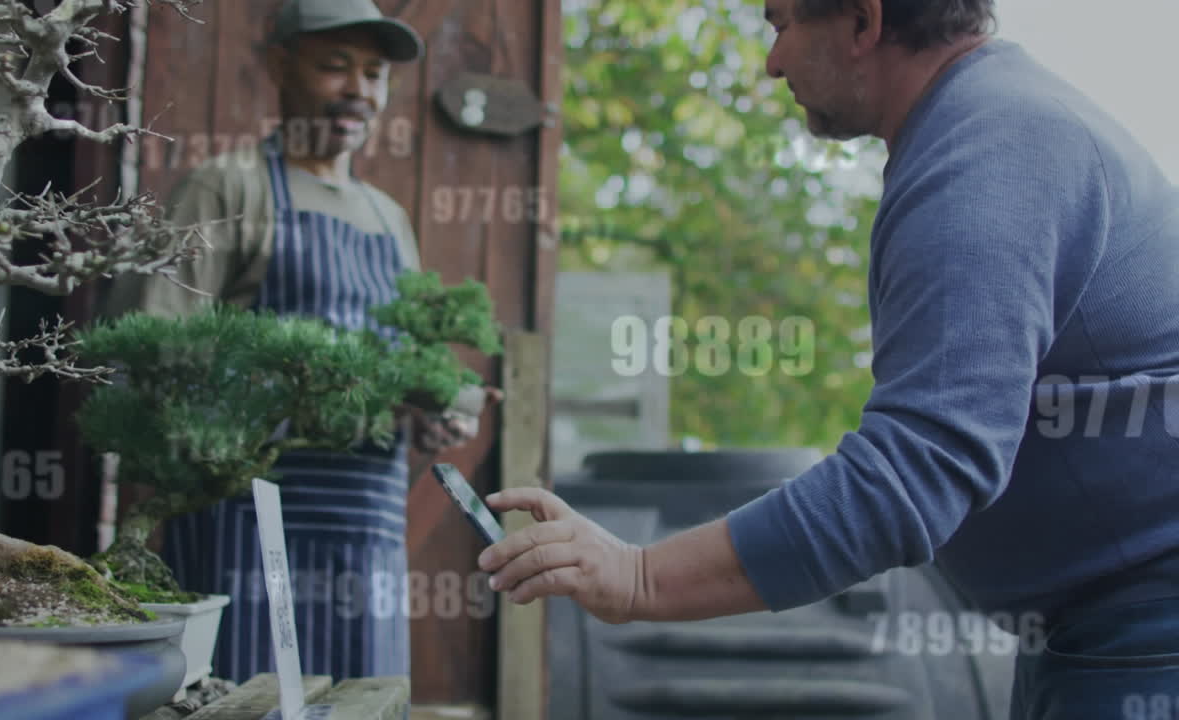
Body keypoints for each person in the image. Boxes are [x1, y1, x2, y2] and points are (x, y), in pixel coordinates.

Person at [477, 1, 1179, 718]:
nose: (772, 61)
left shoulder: (990, 151)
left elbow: (916, 470)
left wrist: (638, 578)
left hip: (1150, 625)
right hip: (1100, 627)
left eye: (781, 24)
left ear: (864, 21)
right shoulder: (984, 125)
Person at [101, 0, 486, 685]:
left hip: (365, 527)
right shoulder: (224, 189)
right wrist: (284, 398)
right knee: (248, 696)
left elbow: (402, 362)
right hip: (245, 518)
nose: (358, 91)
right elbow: (151, 360)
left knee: (362, 699)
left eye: (374, 73)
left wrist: (433, 408)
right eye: (335, 66)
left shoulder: (388, 219)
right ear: (280, 67)